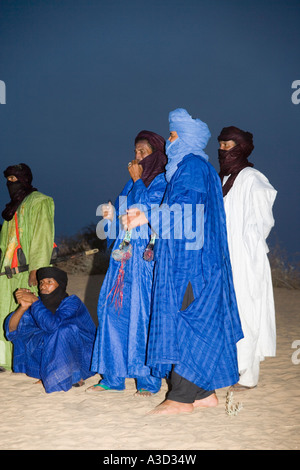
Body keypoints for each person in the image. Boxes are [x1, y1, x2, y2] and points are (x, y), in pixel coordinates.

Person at [122, 108, 243, 414]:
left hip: (189, 263)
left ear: (186, 138)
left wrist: (147, 214)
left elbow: (186, 213)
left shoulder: (190, 167)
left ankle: (181, 398)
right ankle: (203, 393)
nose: (170, 141)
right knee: (194, 319)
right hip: (192, 258)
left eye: (173, 135)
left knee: (186, 322)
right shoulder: (193, 168)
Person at [88, 130, 167, 396]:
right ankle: (113, 376)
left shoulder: (161, 184)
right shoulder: (129, 186)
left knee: (141, 317)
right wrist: (109, 218)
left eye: (143, 152)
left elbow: (150, 216)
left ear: (156, 155)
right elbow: (118, 230)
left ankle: (147, 380)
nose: (137, 157)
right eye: (135, 151)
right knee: (112, 313)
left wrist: (138, 182)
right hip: (121, 264)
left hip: (145, 265)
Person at [218, 126, 277, 391]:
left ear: (241, 148)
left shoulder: (253, 178)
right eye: (220, 145)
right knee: (226, 314)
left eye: (228, 146)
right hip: (223, 257)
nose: (222, 151)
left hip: (246, 259)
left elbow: (264, 221)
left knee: (246, 313)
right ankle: (228, 369)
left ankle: (247, 376)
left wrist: (247, 247)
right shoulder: (221, 180)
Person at [4, 266, 96, 393]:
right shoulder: (39, 303)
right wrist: (23, 307)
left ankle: (74, 375)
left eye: (49, 282)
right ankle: (47, 373)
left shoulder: (72, 302)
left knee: (64, 331)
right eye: (41, 282)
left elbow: (52, 325)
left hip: (82, 355)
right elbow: (12, 332)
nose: (43, 286)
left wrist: (35, 301)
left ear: (60, 285)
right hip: (54, 346)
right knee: (31, 332)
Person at [0, 163, 55, 372]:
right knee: (4, 311)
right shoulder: (11, 207)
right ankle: (4, 360)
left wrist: (38, 269)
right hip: (6, 272)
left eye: (15, 179)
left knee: (28, 314)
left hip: (27, 270)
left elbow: (43, 236)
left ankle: (27, 360)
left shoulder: (40, 202)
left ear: (25, 180)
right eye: (8, 180)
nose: (11, 183)